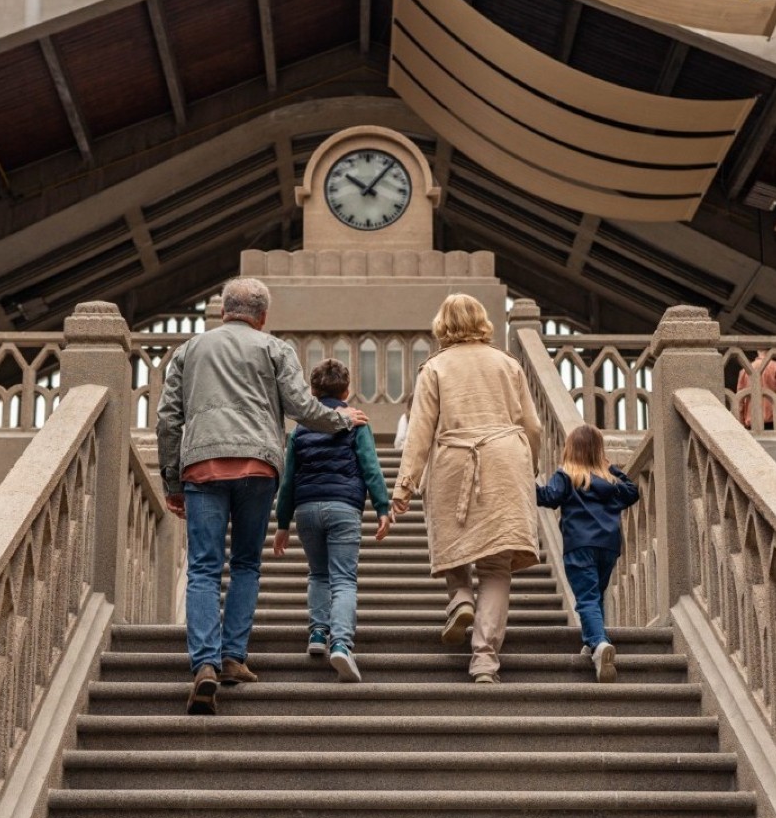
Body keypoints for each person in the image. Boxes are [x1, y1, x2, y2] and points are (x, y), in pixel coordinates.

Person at [157, 277, 367, 716]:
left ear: (222, 312)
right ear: (263, 316)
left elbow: (168, 421)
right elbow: (301, 407)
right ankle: (233, 657)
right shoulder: (275, 349)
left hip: (202, 467)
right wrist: (344, 421)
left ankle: (205, 665)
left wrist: (172, 482)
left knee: (203, 568)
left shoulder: (189, 351)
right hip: (257, 466)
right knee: (247, 563)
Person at [391, 293, 541, 684]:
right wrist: (529, 467)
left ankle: (459, 598)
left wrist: (404, 487)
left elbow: (420, 432)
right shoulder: (508, 365)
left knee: (455, 543)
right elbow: (534, 426)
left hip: (454, 459)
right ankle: (485, 660)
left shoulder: (435, 368)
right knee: (495, 567)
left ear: (443, 325)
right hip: (505, 458)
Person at [272, 359, 391, 683]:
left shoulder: (301, 430)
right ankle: (340, 642)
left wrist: (283, 524)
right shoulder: (357, 423)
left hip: (307, 509)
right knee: (343, 579)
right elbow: (370, 467)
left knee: (319, 574)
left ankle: (317, 634)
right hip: (343, 508)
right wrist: (383, 507)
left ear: (312, 391)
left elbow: (289, 480)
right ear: (347, 391)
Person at [536, 424, 640, 683]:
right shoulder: (610, 480)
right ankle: (593, 640)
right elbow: (632, 492)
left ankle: (600, 644)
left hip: (580, 544)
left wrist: (524, 481)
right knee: (596, 595)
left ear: (571, 449)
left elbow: (548, 497)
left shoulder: (566, 475)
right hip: (609, 546)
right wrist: (611, 468)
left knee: (586, 598)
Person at [737, 349, 776, 430]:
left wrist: (741, 422)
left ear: (758, 351)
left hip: (752, 422)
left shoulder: (744, 371)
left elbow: (740, 401)